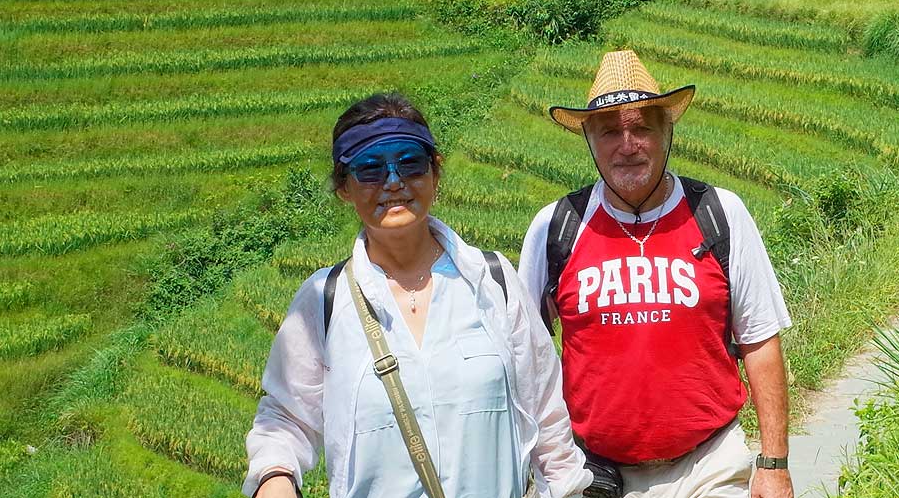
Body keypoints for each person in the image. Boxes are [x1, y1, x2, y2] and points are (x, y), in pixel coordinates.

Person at [244, 92, 592, 498]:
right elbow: (286, 418)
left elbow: (548, 419)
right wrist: (275, 476)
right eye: (370, 169)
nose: (393, 182)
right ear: (344, 187)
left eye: (410, 163)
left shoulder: (493, 282)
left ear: (435, 173)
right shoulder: (325, 299)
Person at [519, 51, 795, 498]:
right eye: (609, 130)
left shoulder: (719, 213)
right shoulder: (556, 227)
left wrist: (774, 463)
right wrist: (545, 464)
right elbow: (525, 355)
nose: (627, 144)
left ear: (667, 133)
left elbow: (760, 339)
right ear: (589, 139)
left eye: (642, 127)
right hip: (593, 472)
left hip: (709, 463)